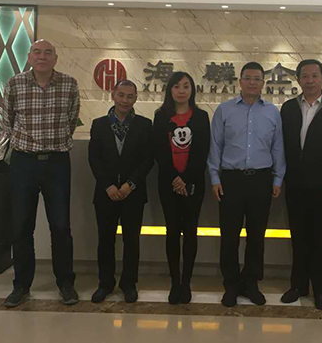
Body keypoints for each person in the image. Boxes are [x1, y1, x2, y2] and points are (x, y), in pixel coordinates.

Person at [2, 39, 80, 307]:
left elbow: (71, 120)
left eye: (48, 52)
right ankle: (21, 286)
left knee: (61, 226)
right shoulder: (15, 84)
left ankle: (66, 284)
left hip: (57, 162)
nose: (42, 57)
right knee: (21, 226)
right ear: (29, 57)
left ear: (55, 58)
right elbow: (8, 121)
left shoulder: (69, 84)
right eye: (37, 52)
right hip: (23, 162)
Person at [208, 62, 286, 307]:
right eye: (248, 78)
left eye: (257, 78)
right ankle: (231, 284)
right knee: (229, 235)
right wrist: (214, 178)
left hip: (261, 179)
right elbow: (215, 146)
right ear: (240, 81)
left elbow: (278, 147)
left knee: (256, 236)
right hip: (231, 180)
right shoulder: (224, 110)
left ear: (263, 83)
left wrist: (277, 178)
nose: (252, 82)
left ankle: (251, 282)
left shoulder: (272, 112)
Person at [279, 59, 322, 311]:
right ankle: (298, 286)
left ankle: (320, 289)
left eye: (314, 76)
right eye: (305, 76)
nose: (310, 80)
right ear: (298, 79)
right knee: (298, 237)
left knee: (320, 239)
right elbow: (280, 146)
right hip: (294, 184)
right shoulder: (288, 108)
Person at [88, 79, 153, 304]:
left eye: (130, 96)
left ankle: (129, 283)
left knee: (131, 240)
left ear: (135, 99)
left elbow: (148, 160)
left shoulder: (144, 125)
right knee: (105, 239)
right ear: (113, 96)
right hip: (105, 193)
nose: (125, 100)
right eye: (121, 95)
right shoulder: (99, 124)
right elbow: (94, 158)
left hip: (132, 193)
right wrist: (108, 185)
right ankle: (105, 283)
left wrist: (130, 184)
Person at [153, 72, 211, 305]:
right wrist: (175, 179)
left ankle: (186, 282)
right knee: (172, 232)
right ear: (170, 90)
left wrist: (185, 179)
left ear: (192, 90)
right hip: (168, 183)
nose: (181, 91)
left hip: (193, 183)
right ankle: (174, 282)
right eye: (176, 86)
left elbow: (202, 151)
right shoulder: (161, 116)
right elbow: (159, 151)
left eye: (186, 86)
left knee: (190, 232)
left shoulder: (201, 117)